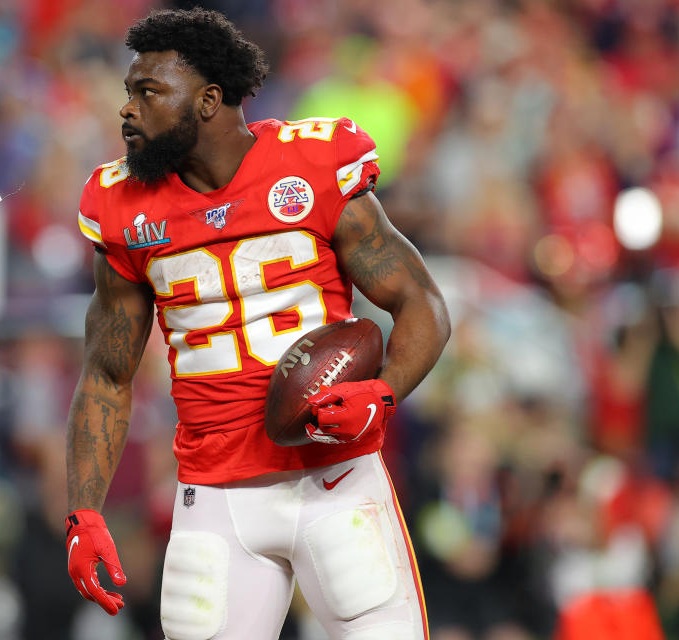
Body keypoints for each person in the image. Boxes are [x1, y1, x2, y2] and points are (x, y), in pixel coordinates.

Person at [65, 8, 450, 640]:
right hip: (215, 496)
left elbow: (422, 305)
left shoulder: (312, 167)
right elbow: (106, 373)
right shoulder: (122, 205)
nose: (127, 111)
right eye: (128, 93)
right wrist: (83, 510)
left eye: (148, 92)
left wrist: (381, 395)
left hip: (336, 477)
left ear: (209, 100)